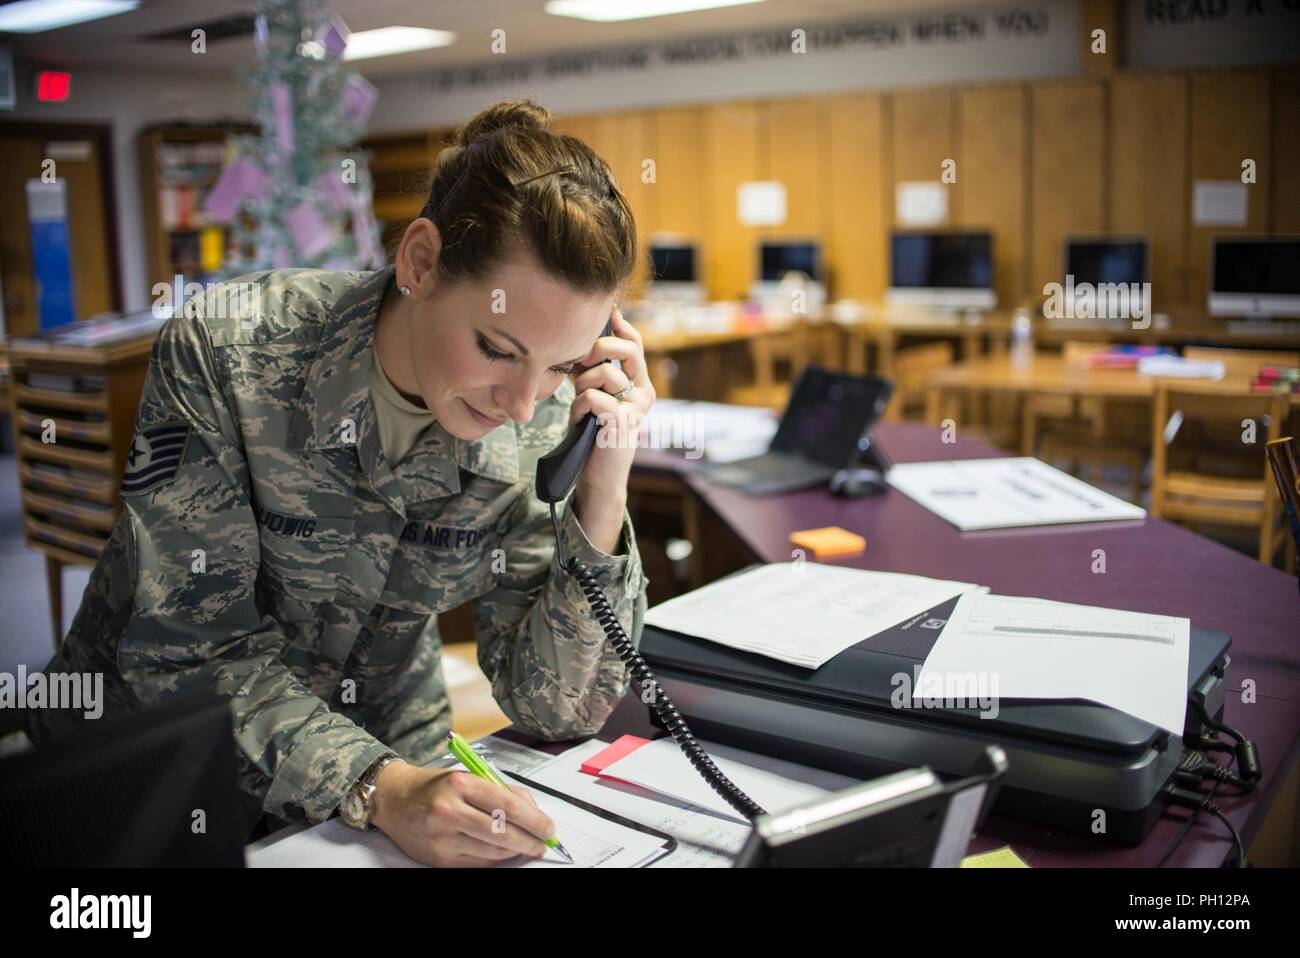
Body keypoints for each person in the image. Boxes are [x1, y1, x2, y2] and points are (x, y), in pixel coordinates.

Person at [27, 98, 656, 867]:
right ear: (420, 262)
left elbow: (554, 708)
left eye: (562, 365)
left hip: (385, 756)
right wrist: (380, 787)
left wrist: (603, 489)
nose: (523, 404)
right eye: (496, 347)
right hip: (153, 771)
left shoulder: (533, 422)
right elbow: (184, 657)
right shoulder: (231, 353)